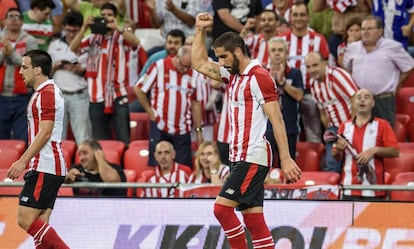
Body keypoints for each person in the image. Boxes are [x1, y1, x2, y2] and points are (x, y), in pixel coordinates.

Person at [192, 13, 302, 249]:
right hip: (238, 155)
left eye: (223, 57)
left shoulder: (259, 76)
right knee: (253, 219)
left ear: (238, 53)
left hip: (253, 155)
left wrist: (286, 158)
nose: (220, 62)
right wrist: (200, 31)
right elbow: (199, 64)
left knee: (221, 210)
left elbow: (278, 119)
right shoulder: (232, 74)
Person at [7, 49, 69, 248]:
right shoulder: (46, 92)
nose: (20, 72)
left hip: (45, 164)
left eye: (25, 67)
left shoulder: (47, 93)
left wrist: (23, 160)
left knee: (24, 218)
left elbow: (45, 132)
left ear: (38, 70)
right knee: (41, 227)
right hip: (50, 165)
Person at [70, 3, 141, 146]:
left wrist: (118, 28)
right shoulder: (92, 38)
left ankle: (122, 167)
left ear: (115, 18)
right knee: (100, 142)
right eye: (103, 15)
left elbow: (136, 42)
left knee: (123, 140)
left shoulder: (122, 37)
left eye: (109, 15)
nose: (106, 18)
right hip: (97, 97)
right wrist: (84, 28)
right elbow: (73, 47)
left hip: (118, 95)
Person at [135, 45, 202, 168]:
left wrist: (198, 130)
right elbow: (139, 88)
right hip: (160, 126)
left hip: (183, 129)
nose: (184, 69)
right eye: (183, 66)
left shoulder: (195, 74)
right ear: (177, 57)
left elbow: (196, 103)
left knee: (184, 169)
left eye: (188, 67)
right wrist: (150, 113)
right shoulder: (158, 66)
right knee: (157, 167)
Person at [343, 15, 414, 127]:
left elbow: (409, 66)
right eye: (363, 29)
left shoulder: (392, 47)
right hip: (360, 100)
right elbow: (346, 68)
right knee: (360, 135)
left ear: (380, 31)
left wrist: (397, 84)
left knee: (384, 136)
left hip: (383, 99)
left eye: (370, 29)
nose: (365, 32)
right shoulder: (353, 48)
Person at [278, 1, 330, 144]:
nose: (299, 18)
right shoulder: (281, 40)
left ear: (308, 17)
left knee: (314, 134)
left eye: (302, 15)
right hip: (286, 93)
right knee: (285, 133)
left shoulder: (319, 39)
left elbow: (325, 68)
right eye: (295, 15)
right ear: (290, 18)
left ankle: (316, 162)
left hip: (311, 93)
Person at [333, 88, 400, 200]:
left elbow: (395, 151)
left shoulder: (382, 125)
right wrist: (338, 150)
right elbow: (337, 157)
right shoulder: (344, 126)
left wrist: (375, 150)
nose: (362, 100)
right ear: (353, 103)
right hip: (349, 188)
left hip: (374, 189)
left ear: (373, 103)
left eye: (366, 97)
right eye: (358, 97)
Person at [305, 51, 359, 174]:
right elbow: (322, 111)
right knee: (331, 165)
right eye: (308, 67)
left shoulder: (337, 75)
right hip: (335, 129)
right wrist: (328, 129)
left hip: (353, 125)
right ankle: (331, 191)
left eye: (315, 65)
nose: (312, 70)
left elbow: (355, 98)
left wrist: (351, 128)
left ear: (324, 63)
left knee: (356, 164)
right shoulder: (313, 84)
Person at [48, 10, 91, 144]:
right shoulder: (54, 45)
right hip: (59, 95)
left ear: (81, 29)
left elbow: (94, 73)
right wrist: (56, 66)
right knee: (57, 137)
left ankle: (85, 165)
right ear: (63, 28)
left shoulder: (87, 45)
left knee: (83, 137)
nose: (71, 34)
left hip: (80, 94)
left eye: (75, 31)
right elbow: (46, 74)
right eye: (68, 30)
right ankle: (60, 164)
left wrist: (81, 70)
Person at [0, 8, 38, 142]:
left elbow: (31, 66)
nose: (14, 19)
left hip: (23, 96)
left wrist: (11, 53)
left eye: (17, 17)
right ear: (5, 21)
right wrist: (4, 52)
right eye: (11, 16)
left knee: (23, 138)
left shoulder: (30, 40)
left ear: (22, 22)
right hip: (1, 95)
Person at [265, 37, 304, 164]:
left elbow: (299, 96)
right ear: (269, 54)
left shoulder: (295, 73)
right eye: (273, 50)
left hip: (289, 128)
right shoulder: (263, 73)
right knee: (267, 166)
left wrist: (282, 83)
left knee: (289, 164)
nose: (277, 53)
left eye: (280, 50)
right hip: (267, 129)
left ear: (287, 54)